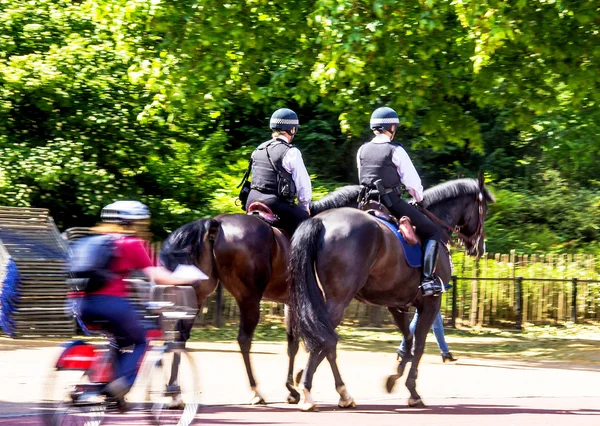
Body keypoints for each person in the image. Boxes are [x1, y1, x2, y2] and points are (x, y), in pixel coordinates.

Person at [77, 200, 201, 407]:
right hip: (112, 305)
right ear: (134, 223)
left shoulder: (92, 242)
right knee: (141, 340)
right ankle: (122, 383)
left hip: (82, 305)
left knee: (118, 340)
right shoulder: (131, 244)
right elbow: (159, 276)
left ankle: (103, 389)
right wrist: (187, 276)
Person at [356, 107, 443, 296]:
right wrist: (419, 199)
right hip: (390, 203)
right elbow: (412, 183)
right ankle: (428, 280)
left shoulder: (362, 150)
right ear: (392, 127)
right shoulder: (395, 150)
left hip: (364, 204)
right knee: (433, 231)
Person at [245, 108, 312, 236]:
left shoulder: (258, 149)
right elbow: (303, 184)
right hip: (276, 204)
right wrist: (305, 208)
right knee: (311, 229)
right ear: (292, 130)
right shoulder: (291, 152)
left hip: (251, 201)